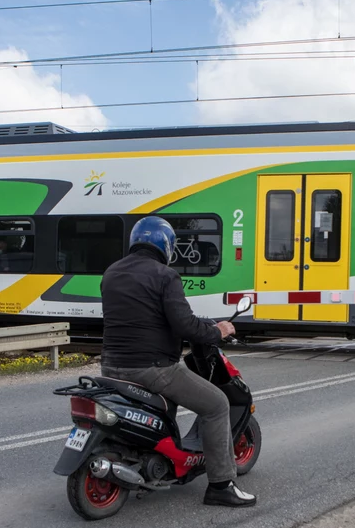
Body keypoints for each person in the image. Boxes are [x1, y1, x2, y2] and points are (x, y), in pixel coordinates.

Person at [99, 216, 257, 508]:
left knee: (166, 405)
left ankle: (154, 460)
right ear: (167, 245)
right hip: (152, 369)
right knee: (217, 404)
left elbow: (147, 316)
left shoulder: (112, 272)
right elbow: (183, 324)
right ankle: (222, 485)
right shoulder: (164, 275)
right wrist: (217, 330)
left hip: (110, 367)